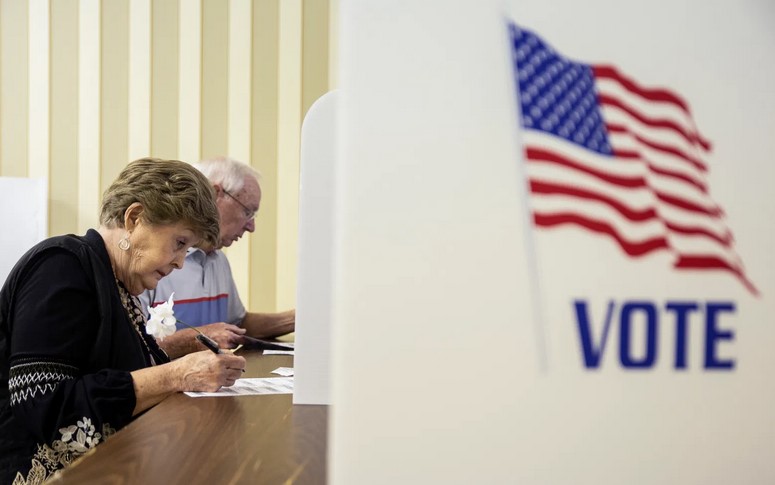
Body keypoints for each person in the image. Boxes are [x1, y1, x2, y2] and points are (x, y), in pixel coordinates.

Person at [0, 158, 246, 484]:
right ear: (134, 218)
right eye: (179, 243)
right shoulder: (61, 267)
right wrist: (174, 375)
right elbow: (46, 407)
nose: (180, 263)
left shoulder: (117, 285)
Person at [139, 157, 294, 358]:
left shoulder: (218, 260)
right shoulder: (153, 261)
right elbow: (133, 347)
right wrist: (200, 338)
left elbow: (237, 324)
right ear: (214, 195)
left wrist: (299, 318)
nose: (251, 227)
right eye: (247, 211)